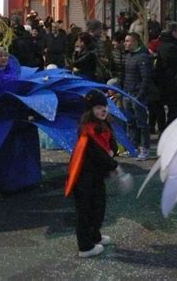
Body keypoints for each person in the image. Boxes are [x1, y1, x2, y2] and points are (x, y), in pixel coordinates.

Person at [64, 89, 120, 258]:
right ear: (90, 111)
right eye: (97, 107)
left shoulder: (103, 125)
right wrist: (115, 166)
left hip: (95, 177)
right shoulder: (86, 132)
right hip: (83, 179)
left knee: (98, 208)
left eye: (104, 106)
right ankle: (85, 246)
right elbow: (99, 155)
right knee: (85, 212)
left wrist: (112, 152)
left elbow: (112, 145)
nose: (102, 110)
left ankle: (94, 236)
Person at [122, 32, 152, 160]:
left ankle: (144, 148)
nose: (125, 43)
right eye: (125, 41)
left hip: (136, 94)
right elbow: (126, 75)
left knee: (141, 123)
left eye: (128, 41)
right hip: (127, 93)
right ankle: (132, 146)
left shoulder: (142, 57)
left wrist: (140, 95)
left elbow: (146, 78)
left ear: (135, 42)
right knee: (130, 122)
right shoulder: (128, 56)